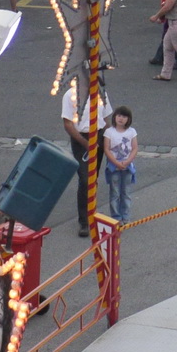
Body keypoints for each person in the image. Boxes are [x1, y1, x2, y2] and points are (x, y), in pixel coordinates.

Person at [61, 78, 110, 238]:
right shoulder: (70, 96)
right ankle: (84, 221)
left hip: (99, 134)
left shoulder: (101, 93)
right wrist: (85, 143)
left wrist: (107, 139)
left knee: (93, 176)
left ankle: (92, 211)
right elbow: (68, 124)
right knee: (84, 178)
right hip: (82, 138)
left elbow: (106, 119)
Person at [102, 107, 137, 224]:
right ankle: (116, 217)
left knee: (126, 192)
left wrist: (127, 162)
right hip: (113, 167)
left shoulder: (132, 132)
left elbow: (135, 148)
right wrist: (116, 162)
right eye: (119, 116)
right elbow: (107, 149)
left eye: (124, 116)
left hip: (128, 167)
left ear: (129, 119)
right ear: (115, 117)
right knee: (115, 193)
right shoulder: (109, 132)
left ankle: (125, 215)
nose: (121, 119)